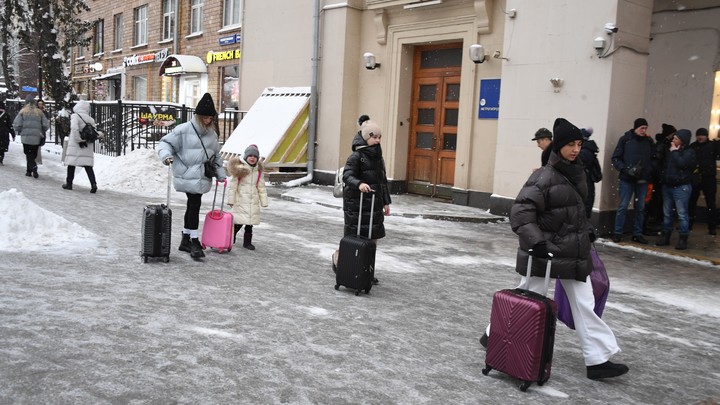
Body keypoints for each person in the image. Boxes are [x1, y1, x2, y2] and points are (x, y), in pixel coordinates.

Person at [481, 118, 629, 380]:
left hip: (572, 251)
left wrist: (587, 233)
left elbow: (574, 212)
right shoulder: (543, 176)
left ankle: (597, 360)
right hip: (545, 253)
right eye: (570, 144)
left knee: (584, 304)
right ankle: (493, 335)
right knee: (527, 295)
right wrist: (537, 243)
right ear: (558, 147)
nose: (575, 149)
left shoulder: (577, 172)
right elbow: (521, 213)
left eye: (578, 144)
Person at [158, 93, 227, 260]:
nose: (208, 121)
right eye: (204, 117)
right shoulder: (183, 130)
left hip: (202, 175)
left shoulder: (212, 134)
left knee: (192, 205)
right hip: (187, 173)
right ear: (197, 116)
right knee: (194, 205)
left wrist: (220, 174)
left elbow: (215, 156)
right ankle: (194, 241)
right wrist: (166, 156)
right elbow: (165, 142)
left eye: (210, 118)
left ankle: (186, 238)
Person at [332, 116, 392, 285]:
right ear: (367, 137)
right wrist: (359, 184)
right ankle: (340, 260)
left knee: (372, 240)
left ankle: (366, 271)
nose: (378, 140)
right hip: (356, 205)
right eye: (374, 137)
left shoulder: (378, 158)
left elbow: (382, 182)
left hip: (374, 204)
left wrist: (386, 202)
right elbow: (347, 176)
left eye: (379, 137)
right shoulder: (356, 156)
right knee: (355, 237)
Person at [610, 118, 655, 244]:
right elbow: (615, 158)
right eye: (642, 128)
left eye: (645, 128)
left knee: (640, 207)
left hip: (643, 179)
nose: (644, 130)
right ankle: (618, 232)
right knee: (623, 206)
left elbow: (654, 158)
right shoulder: (625, 140)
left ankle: (637, 233)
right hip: (627, 179)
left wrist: (648, 170)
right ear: (635, 128)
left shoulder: (648, 142)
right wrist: (626, 169)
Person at [656, 129, 697, 250]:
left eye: (676, 139)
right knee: (667, 213)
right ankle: (665, 236)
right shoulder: (671, 151)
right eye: (673, 138)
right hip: (668, 185)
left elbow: (682, 163)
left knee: (682, 214)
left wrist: (674, 152)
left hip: (681, 187)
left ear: (682, 141)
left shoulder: (689, 152)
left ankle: (683, 239)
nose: (673, 140)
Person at [226, 144, 269, 250]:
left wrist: (264, 201)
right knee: (238, 222)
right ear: (246, 157)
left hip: (253, 201)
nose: (252, 158)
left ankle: (247, 242)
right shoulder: (241, 169)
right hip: (240, 200)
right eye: (250, 156)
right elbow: (233, 187)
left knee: (250, 223)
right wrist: (231, 200)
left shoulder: (258, 172)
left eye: (255, 156)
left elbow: (261, 187)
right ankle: (231, 237)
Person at [62, 100, 101, 193]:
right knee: (88, 166)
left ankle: (69, 183)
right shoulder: (91, 119)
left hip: (76, 144)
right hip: (87, 144)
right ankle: (93, 184)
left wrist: (78, 139)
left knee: (71, 164)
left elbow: (74, 128)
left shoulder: (75, 116)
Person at [645, 123, 677, 235]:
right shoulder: (662, 145)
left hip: (659, 177)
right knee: (656, 200)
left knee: (657, 200)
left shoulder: (664, 145)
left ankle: (655, 221)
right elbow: (658, 163)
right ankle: (653, 222)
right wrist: (661, 175)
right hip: (658, 178)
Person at [688, 128, 719, 235]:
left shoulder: (713, 145)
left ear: (706, 136)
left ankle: (712, 227)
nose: (700, 137)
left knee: (710, 203)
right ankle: (689, 224)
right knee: (691, 201)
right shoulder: (693, 146)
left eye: (702, 135)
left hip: (708, 177)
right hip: (696, 177)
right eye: (698, 135)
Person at [12, 95, 50, 178]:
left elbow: (17, 124)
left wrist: (20, 130)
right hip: (36, 137)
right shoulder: (39, 112)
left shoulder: (23, 112)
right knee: (33, 154)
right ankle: (29, 171)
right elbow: (46, 125)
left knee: (27, 153)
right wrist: (41, 130)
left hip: (26, 136)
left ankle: (33, 167)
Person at [578, 127, 602, 218]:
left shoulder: (584, 153)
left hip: (585, 186)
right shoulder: (589, 151)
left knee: (582, 213)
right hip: (588, 186)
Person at [0, 101, 15, 165]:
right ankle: (1, 157)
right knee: (2, 147)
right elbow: (10, 125)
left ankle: (0, 157)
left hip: (4, 134)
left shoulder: (6, 116)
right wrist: (12, 133)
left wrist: (12, 133)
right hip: (4, 134)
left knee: (2, 147)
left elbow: (10, 125)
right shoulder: (6, 115)